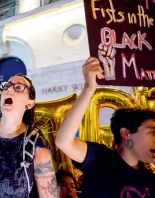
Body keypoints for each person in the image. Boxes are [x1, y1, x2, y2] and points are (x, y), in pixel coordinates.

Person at [56, 57, 155, 198]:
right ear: (126, 133)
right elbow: (63, 142)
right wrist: (89, 88)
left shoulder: (150, 179)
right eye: (152, 132)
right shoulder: (100, 159)